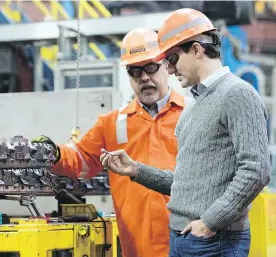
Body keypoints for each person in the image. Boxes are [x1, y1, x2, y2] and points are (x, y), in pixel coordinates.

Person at [100, 8, 271, 257]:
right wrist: (136, 170)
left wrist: (210, 222)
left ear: (196, 50)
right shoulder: (192, 110)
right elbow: (186, 185)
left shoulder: (237, 94)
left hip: (214, 241)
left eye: (171, 59)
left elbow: (256, 170)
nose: (168, 70)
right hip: (183, 237)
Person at [32, 28, 193, 257]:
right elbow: (82, 159)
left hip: (190, 243)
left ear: (166, 65)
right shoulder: (113, 123)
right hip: (138, 248)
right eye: (135, 71)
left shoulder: (192, 113)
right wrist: (54, 153)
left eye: (150, 67)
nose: (144, 77)